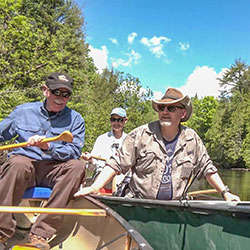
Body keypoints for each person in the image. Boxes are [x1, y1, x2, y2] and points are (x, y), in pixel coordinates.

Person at [74, 87, 240, 202]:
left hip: (174, 208)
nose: (165, 112)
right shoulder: (140, 135)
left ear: (182, 113)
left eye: (171, 108)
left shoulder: (192, 139)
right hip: (138, 205)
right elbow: (116, 164)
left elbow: (207, 168)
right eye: (161, 108)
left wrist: (225, 193)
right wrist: (95, 187)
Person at [0, 72, 85, 250]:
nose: (61, 99)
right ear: (45, 90)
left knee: (77, 167)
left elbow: (74, 151)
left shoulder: (76, 120)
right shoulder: (23, 111)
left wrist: (48, 147)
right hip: (25, 164)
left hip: (53, 169)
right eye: (56, 93)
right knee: (18, 163)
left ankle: (41, 233)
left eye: (66, 94)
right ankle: (2, 230)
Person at [82, 107, 128, 194]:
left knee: (119, 178)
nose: (116, 123)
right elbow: (93, 163)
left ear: (125, 121)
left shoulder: (130, 140)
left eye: (120, 120)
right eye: (113, 119)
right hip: (101, 175)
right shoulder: (101, 139)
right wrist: (90, 160)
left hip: (122, 177)